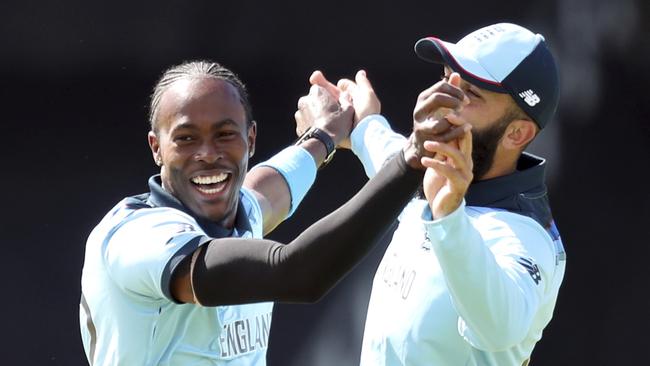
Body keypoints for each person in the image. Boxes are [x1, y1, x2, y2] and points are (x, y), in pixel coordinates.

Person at [78, 60, 445, 365]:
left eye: (225, 134)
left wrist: (326, 133)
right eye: (186, 138)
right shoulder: (138, 238)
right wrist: (409, 161)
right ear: (157, 148)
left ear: (250, 139)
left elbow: (270, 188)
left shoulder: (242, 212)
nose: (207, 153)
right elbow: (294, 272)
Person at [304, 23, 566, 365]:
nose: (442, 100)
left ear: (517, 133)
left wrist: (449, 215)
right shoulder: (437, 173)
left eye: (469, 93)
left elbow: (499, 329)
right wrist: (359, 121)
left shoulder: (527, 235)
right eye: (446, 77)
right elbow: (390, 156)